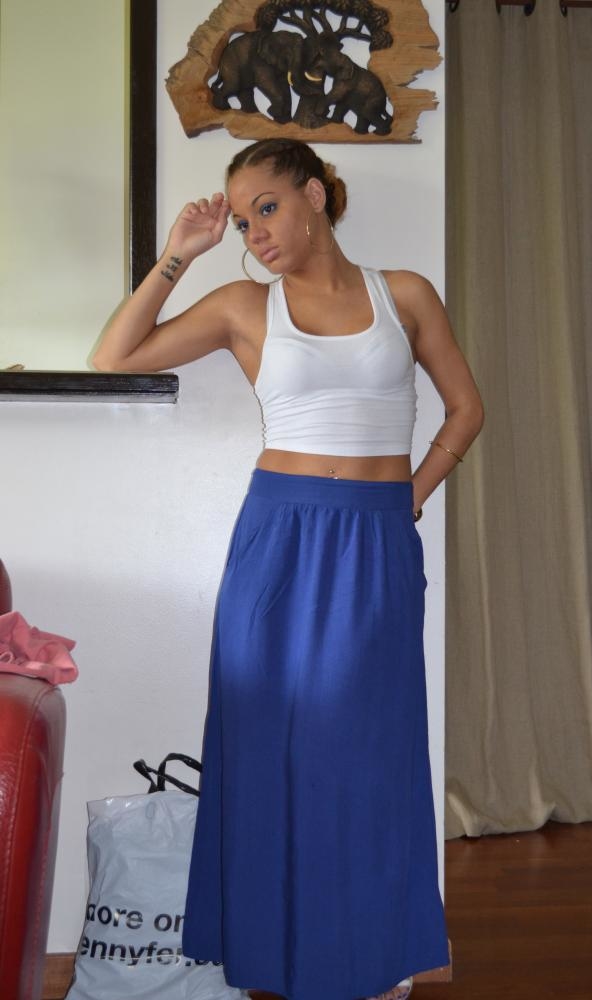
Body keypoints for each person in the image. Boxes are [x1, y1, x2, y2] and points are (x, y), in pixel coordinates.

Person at [93, 138, 483, 1000]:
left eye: (265, 208)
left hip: (375, 541)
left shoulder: (405, 294)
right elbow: (114, 356)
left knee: (366, 750)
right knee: (270, 747)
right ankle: (273, 955)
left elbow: (466, 408)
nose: (254, 233)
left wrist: (410, 497)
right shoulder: (243, 305)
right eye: (241, 222)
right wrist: (178, 255)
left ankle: (372, 954)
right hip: (277, 539)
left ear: (313, 194)